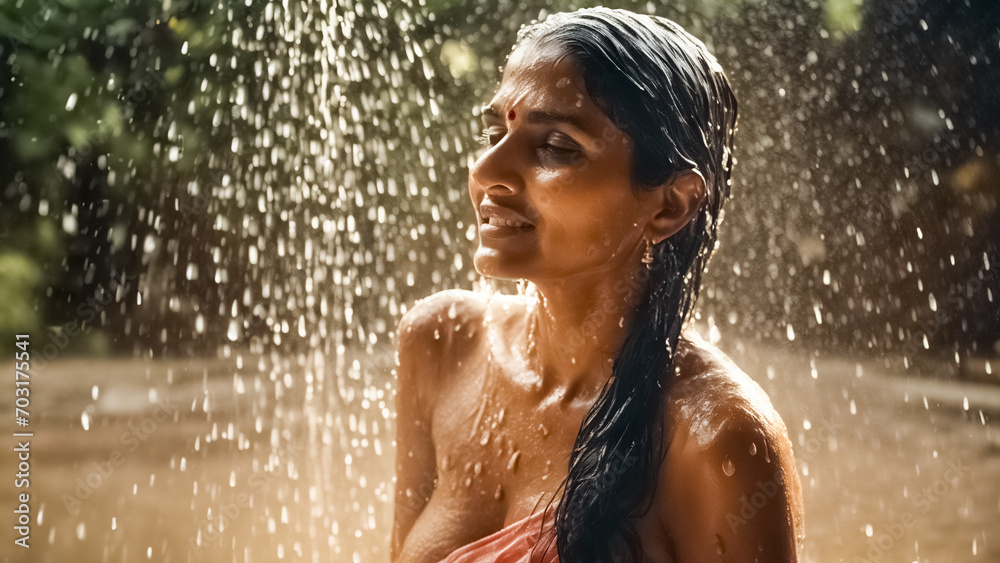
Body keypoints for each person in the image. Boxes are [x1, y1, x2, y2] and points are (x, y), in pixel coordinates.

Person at [392, 7, 804, 563]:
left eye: (556, 147)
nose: (488, 169)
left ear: (670, 205)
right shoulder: (440, 345)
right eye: (496, 131)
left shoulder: (715, 438)